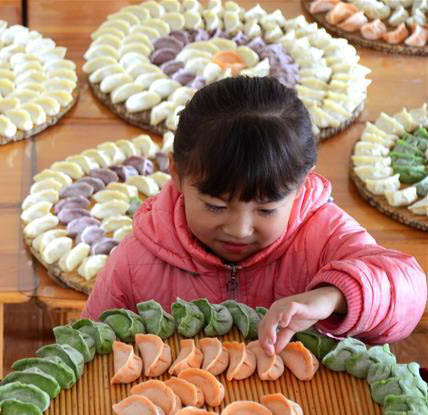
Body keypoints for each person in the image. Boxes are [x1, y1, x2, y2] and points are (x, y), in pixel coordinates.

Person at [84, 76, 426, 355]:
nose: (239, 229)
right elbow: (87, 346)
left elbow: (407, 292)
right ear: (176, 173)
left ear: (301, 184)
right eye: (216, 206)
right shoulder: (136, 260)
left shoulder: (324, 236)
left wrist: (332, 296)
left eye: (266, 209)